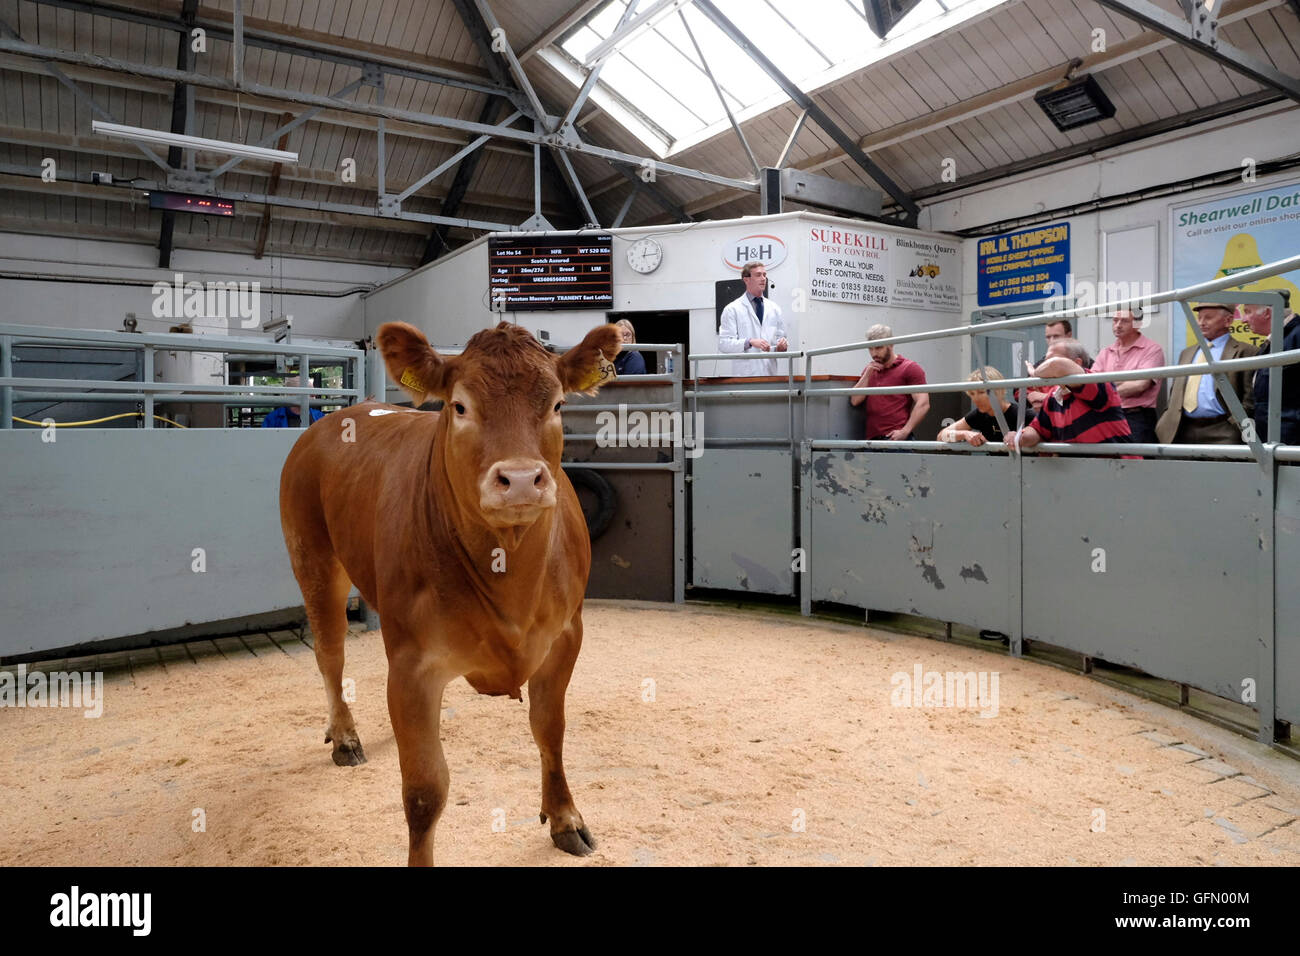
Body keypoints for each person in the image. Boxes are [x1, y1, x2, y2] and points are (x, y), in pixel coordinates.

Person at [1155, 303, 1257, 445]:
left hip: (1225, 430)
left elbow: (1250, 397)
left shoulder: (1246, 352)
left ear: (1228, 321)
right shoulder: (1187, 353)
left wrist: (1236, 424)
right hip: (1182, 429)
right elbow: (1175, 393)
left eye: (1208, 318)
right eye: (1199, 318)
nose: (1201, 323)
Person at [1008, 339, 1133, 452]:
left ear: (1077, 363)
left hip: (1119, 469)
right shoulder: (1053, 397)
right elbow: (1038, 429)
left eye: (1049, 360)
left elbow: (1056, 365)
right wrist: (1019, 436)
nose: (1044, 368)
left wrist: (1034, 373)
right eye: (1044, 361)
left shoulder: (1096, 382)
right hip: (1084, 471)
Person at [1089, 307, 1166, 444]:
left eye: (1124, 321)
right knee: (1107, 461)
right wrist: (1123, 382)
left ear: (1138, 324)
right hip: (1107, 415)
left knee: (1137, 463)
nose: (1117, 325)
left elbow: (1140, 385)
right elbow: (1092, 384)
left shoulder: (1152, 349)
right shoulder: (1106, 352)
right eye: (1115, 320)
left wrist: (1106, 386)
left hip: (1136, 417)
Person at [849, 324, 930, 440]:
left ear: (891, 345)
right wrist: (867, 374)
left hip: (896, 439)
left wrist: (905, 431)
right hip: (872, 440)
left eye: (878, 348)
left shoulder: (909, 367)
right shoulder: (870, 370)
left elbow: (923, 403)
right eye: (870, 348)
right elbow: (855, 400)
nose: (874, 353)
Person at [1246, 289, 1299, 445]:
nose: (1242, 319)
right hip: (1274, 438)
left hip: (1291, 440)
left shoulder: (1296, 336)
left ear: (1267, 313)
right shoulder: (1275, 341)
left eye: (1248, 312)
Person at [717, 261, 788, 377]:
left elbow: (780, 339)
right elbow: (724, 344)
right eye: (758, 275)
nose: (763, 278)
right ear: (746, 279)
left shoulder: (774, 308)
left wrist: (782, 346)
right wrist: (749, 342)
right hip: (745, 376)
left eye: (764, 275)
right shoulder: (732, 309)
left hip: (770, 375)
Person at [938, 367, 1014, 446]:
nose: (976, 399)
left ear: (999, 390)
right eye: (972, 394)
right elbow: (941, 436)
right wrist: (964, 434)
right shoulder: (979, 415)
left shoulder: (1019, 414)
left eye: (981, 392)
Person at [1026, 319, 1081, 411]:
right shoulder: (1040, 364)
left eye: (1056, 336)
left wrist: (1046, 398)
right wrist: (1031, 398)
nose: (1051, 341)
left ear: (1069, 336)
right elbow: (1019, 390)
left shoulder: (1086, 363)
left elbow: (1080, 398)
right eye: (1048, 337)